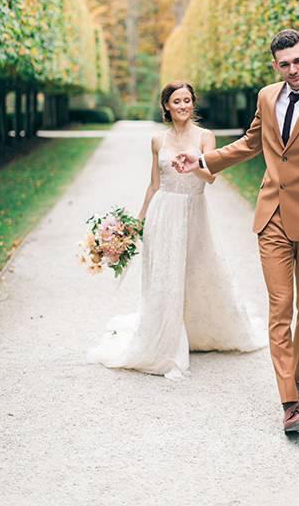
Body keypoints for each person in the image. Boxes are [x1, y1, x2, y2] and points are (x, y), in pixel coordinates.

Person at [174, 30, 299, 432]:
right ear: (274, 64)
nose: (293, 69)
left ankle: (297, 379)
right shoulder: (266, 96)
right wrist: (203, 160)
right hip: (272, 215)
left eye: (298, 60)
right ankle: (291, 402)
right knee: (280, 306)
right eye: (284, 63)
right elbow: (251, 142)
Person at [87, 80, 266, 379]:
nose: (182, 106)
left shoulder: (205, 137)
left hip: (194, 210)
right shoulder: (158, 140)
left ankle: (196, 331)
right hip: (162, 213)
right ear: (166, 107)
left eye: (187, 100)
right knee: (165, 274)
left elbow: (211, 178)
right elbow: (154, 184)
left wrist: (194, 165)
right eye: (176, 101)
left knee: (197, 270)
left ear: (192, 103)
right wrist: (138, 222)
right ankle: (165, 335)